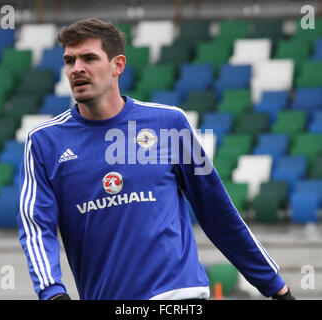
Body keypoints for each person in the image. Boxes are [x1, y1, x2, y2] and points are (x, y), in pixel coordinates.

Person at [18, 18, 295, 301]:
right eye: (70, 60)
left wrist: (275, 286)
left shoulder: (169, 123)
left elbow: (217, 211)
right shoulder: (44, 142)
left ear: (118, 65)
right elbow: (36, 226)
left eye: (89, 58)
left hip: (179, 294)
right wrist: (52, 292)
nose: (77, 68)